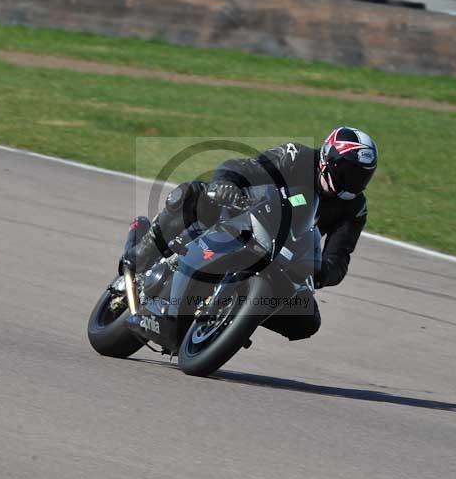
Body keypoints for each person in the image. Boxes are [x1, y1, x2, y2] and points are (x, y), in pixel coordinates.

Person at [124, 126, 378, 341]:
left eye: (361, 177)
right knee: (192, 194)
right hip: (246, 219)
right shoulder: (296, 156)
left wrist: (322, 273)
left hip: (286, 256)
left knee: (306, 321)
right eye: (348, 173)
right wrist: (228, 183)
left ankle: (235, 318)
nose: (353, 183)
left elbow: (340, 254)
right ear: (328, 160)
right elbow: (247, 167)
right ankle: (142, 256)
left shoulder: (356, 208)